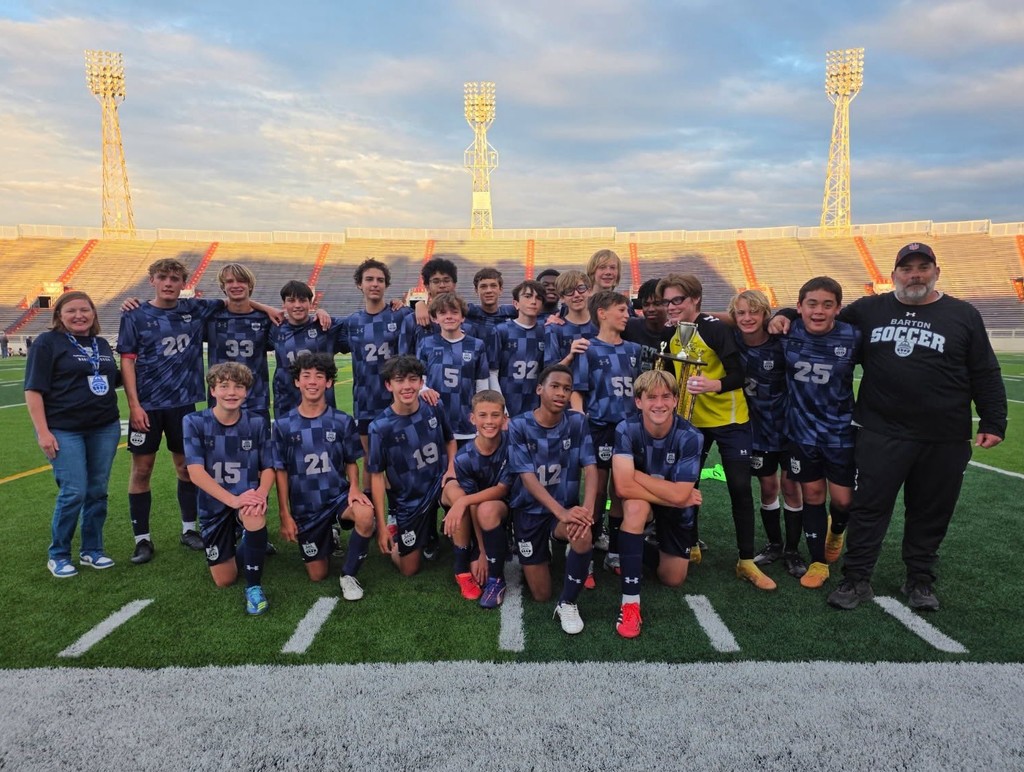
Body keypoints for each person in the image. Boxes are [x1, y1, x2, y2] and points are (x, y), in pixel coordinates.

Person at [771, 242, 1007, 612]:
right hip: (881, 430)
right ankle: (856, 578)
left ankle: (920, 579)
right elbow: (820, 316)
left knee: (930, 511)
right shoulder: (871, 309)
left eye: (923, 268)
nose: (915, 275)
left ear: (936, 272)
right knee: (868, 507)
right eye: (907, 268)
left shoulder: (963, 314)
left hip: (943, 435)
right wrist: (785, 311)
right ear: (894, 274)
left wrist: (994, 419)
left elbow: (985, 370)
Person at [655, 273, 774, 590]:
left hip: (730, 420)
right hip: (690, 422)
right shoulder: (672, 333)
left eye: (677, 300)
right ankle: (690, 546)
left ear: (695, 298)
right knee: (686, 487)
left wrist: (713, 385)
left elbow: (738, 373)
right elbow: (667, 375)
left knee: (738, 487)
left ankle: (746, 560)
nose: (671, 306)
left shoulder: (714, 328)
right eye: (667, 301)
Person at [117, 259, 228, 564]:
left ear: (183, 283)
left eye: (175, 278)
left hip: (184, 405)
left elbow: (237, 297)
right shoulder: (135, 314)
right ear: (151, 279)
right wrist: (134, 405)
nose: (168, 283)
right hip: (148, 407)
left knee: (186, 469)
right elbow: (127, 360)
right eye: (162, 277)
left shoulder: (194, 309)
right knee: (142, 470)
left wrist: (270, 310)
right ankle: (142, 539)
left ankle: (189, 529)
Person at [25, 291, 121, 578]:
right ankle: (59, 553)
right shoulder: (47, 343)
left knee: (97, 491)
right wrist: (43, 432)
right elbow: (33, 390)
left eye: (85, 310)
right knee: (74, 491)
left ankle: (92, 549)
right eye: (71, 311)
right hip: (64, 428)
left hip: (104, 426)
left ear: (94, 314)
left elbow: (110, 379)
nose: (79, 315)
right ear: (59, 316)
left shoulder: (100, 343)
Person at [779, 277, 860, 590]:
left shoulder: (853, 337)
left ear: (838, 309)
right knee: (812, 495)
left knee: (842, 501)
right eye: (811, 303)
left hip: (840, 432)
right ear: (799, 307)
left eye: (827, 304)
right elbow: (744, 320)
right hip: (800, 432)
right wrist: (778, 316)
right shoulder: (788, 331)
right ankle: (818, 561)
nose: (819, 311)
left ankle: (837, 530)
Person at [272, 352, 375, 599]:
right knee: (317, 574)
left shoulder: (341, 420)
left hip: (337, 497)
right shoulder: (283, 425)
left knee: (365, 513)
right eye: (306, 376)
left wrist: (355, 488)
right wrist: (285, 513)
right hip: (306, 505)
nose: (312, 382)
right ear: (297, 381)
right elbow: (281, 471)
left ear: (328, 382)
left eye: (320, 376)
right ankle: (329, 534)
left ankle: (349, 574)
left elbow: (351, 461)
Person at [611, 369, 704, 638]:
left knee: (672, 579)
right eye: (651, 397)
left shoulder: (691, 436)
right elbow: (623, 487)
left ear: (676, 400)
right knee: (635, 507)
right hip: (647, 502)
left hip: (674, 507)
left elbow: (679, 496)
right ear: (638, 401)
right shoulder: (626, 429)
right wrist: (674, 495)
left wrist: (638, 475)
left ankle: (637, 546)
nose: (659, 403)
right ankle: (630, 604)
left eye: (666, 396)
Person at [507, 364, 597, 635]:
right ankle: (543, 547)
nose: (561, 393)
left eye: (567, 389)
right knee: (540, 594)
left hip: (565, 509)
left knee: (582, 533)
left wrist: (587, 511)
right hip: (529, 512)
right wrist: (561, 512)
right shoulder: (519, 424)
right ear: (539, 389)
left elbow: (591, 467)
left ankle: (568, 601)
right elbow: (527, 477)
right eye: (555, 386)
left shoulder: (578, 422)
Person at [183, 363, 275, 614]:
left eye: (238, 386)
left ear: (246, 392)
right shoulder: (194, 421)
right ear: (213, 390)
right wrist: (232, 500)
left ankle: (253, 587)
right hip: (214, 503)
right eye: (224, 386)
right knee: (225, 580)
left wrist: (260, 494)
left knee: (254, 513)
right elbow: (195, 472)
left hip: (246, 498)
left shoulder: (256, 423)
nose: (231, 392)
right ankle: (249, 541)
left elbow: (269, 467)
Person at [728, 290, 805, 578]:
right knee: (768, 487)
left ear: (765, 315)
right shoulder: (732, 339)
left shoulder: (781, 342)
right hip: (756, 429)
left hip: (789, 427)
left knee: (790, 487)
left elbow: (800, 314)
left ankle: (793, 550)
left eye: (754, 312)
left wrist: (788, 312)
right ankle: (774, 544)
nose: (747, 318)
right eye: (741, 313)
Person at [571, 290, 641, 583]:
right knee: (596, 491)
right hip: (599, 427)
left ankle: (613, 550)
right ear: (602, 313)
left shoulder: (635, 350)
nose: (627, 315)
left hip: (627, 430)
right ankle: (585, 553)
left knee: (621, 491)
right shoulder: (588, 348)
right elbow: (578, 389)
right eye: (622, 310)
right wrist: (580, 419)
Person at [367, 355, 456, 577]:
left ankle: (465, 560)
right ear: (389, 385)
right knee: (409, 569)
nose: (407, 386)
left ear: (420, 382)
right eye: (399, 380)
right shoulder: (380, 427)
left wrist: (452, 471)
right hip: (410, 499)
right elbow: (377, 476)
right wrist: (381, 526)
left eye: (412, 379)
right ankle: (411, 538)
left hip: (439, 484)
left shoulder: (434, 406)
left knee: (461, 497)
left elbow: (450, 439)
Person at [440, 390, 513, 604]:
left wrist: (464, 500)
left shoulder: (512, 443)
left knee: (484, 507)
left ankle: (497, 569)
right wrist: (481, 552)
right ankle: (466, 564)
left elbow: (502, 489)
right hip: (479, 511)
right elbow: (473, 504)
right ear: (472, 418)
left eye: (495, 415)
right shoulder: (464, 458)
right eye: (482, 415)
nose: (489, 421)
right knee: (475, 505)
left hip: (504, 505)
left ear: (504, 418)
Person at [338, 259, 412, 454]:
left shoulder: (401, 315)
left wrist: (420, 305)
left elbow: (433, 315)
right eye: (369, 279)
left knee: (401, 458)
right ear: (359, 284)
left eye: (380, 280)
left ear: (386, 285)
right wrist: (319, 310)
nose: (375, 284)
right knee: (372, 461)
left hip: (397, 399)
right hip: (365, 401)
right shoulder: (351, 322)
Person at [416, 293, 492, 444]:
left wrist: (481, 416)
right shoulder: (426, 344)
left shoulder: (477, 345)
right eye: (443, 313)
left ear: (463, 317)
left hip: (466, 421)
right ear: (435, 318)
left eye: (454, 312)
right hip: (434, 419)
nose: (449, 317)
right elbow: (418, 381)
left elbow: (482, 385)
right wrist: (424, 390)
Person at [204, 264, 273, 423]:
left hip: (256, 399)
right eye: (229, 281)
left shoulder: (265, 319)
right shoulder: (211, 318)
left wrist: (320, 312)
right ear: (223, 287)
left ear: (250, 285)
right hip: (220, 400)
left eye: (241, 281)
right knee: (220, 447)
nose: (235, 285)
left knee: (258, 447)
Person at [269, 280, 345, 419]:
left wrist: (397, 303)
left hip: (322, 402)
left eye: (302, 300)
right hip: (286, 401)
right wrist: (267, 309)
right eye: (291, 301)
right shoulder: (275, 328)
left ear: (311, 303)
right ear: (283, 305)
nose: (297, 305)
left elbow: (362, 321)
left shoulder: (326, 326)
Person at [489, 279, 547, 418]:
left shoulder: (546, 331)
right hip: (507, 404)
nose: (533, 301)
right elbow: (492, 372)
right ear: (516, 304)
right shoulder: (501, 330)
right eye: (527, 296)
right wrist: (500, 406)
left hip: (536, 405)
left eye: (538, 298)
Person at [543, 270, 597, 367]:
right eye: (569, 291)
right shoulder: (554, 329)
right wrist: (570, 356)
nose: (576, 294)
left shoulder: (602, 323)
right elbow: (549, 371)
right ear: (562, 298)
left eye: (581, 288)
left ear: (589, 291)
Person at [624, 278, 673, 373]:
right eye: (646, 304)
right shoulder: (629, 326)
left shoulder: (675, 333)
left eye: (657, 304)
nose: (651, 309)